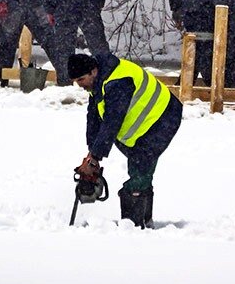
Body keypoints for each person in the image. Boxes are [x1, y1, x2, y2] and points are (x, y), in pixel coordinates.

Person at [67, 52, 182, 229]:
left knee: (139, 171)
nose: (80, 85)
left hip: (163, 118)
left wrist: (95, 157)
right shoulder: (99, 83)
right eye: (76, 82)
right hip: (144, 126)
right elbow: (94, 118)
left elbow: (112, 121)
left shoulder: (118, 82)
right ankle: (144, 220)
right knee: (140, 169)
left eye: (81, 79)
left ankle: (134, 226)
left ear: (93, 71)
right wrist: (91, 153)